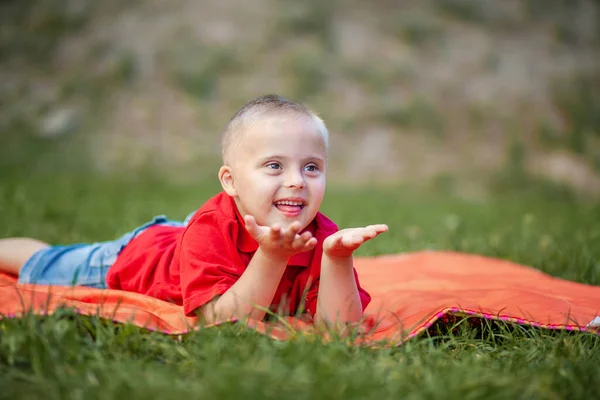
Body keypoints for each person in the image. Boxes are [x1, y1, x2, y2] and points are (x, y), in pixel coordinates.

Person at [0, 94, 388, 327]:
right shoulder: (213, 229)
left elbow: (340, 329)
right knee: (48, 264)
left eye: (311, 167)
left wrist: (337, 260)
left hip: (190, 239)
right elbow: (221, 322)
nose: (296, 181)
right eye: (275, 165)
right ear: (231, 181)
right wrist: (272, 256)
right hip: (142, 256)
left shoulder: (322, 235)